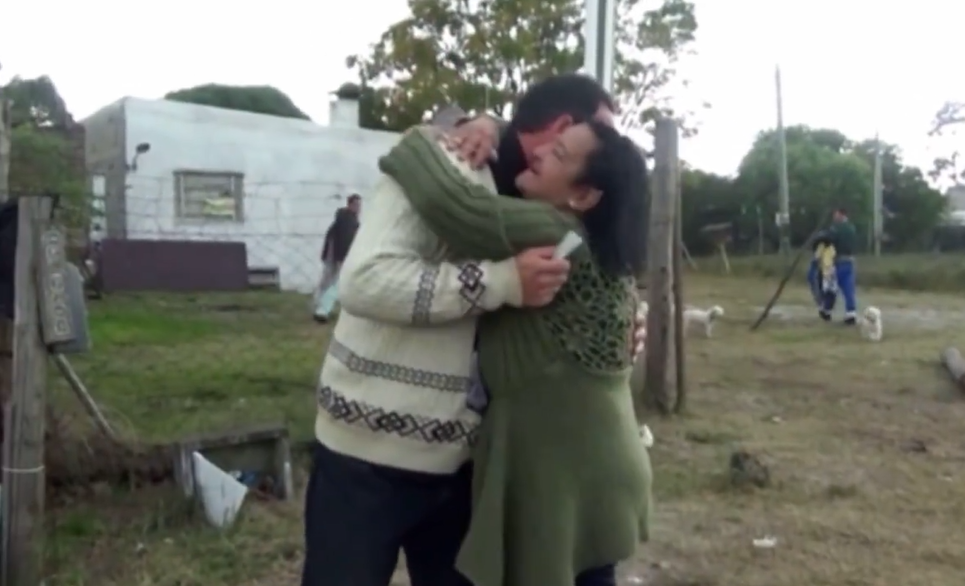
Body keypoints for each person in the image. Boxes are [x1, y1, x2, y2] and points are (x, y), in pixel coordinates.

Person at [300, 73, 644, 586]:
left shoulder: (548, 208)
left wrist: (626, 324)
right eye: (599, 136)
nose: (610, 149)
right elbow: (364, 280)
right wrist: (499, 281)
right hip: (367, 454)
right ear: (562, 128)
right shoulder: (450, 158)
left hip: (472, 466)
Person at [380, 121, 652, 586]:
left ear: (583, 197)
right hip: (605, 466)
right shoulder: (610, 255)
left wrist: (419, 141)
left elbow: (456, 206)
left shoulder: (555, 228)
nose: (541, 150)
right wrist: (490, 126)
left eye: (560, 154)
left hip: (558, 475)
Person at [312, 193, 361, 322]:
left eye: (359, 205)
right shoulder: (349, 221)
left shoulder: (342, 218)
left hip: (332, 256)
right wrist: (344, 258)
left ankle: (318, 305)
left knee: (326, 282)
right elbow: (346, 241)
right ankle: (322, 311)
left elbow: (332, 238)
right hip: (339, 257)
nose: (358, 208)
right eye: (356, 205)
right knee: (336, 284)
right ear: (349, 204)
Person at [816, 208, 858, 324]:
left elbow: (828, 238)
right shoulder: (851, 228)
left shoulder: (837, 228)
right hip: (850, 261)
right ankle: (851, 312)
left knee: (831, 287)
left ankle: (827, 310)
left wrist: (819, 236)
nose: (834, 217)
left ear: (840, 214)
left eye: (835, 214)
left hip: (838, 261)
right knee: (848, 288)